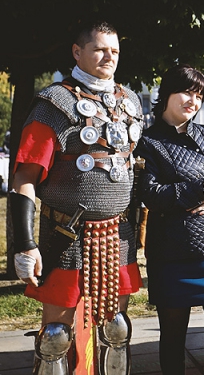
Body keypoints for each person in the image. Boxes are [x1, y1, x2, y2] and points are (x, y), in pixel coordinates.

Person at [10, 21, 144, 374]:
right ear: (77, 52)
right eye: (99, 49)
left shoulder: (129, 101)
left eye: (114, 51)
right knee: (55, 336)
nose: (108, 57)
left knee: (117, 329)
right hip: (66, 236)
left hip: (118, 235)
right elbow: (24, 177)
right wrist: (24, 244)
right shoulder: (55, 103)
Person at [135, 64, 204, 375]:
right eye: (186, 91)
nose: (193, 100)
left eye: (199, 95)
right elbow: (150, 193)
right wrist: (199, 189)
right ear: (167, 93)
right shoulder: (148, 141)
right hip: (171, 253)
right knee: (173, 338)